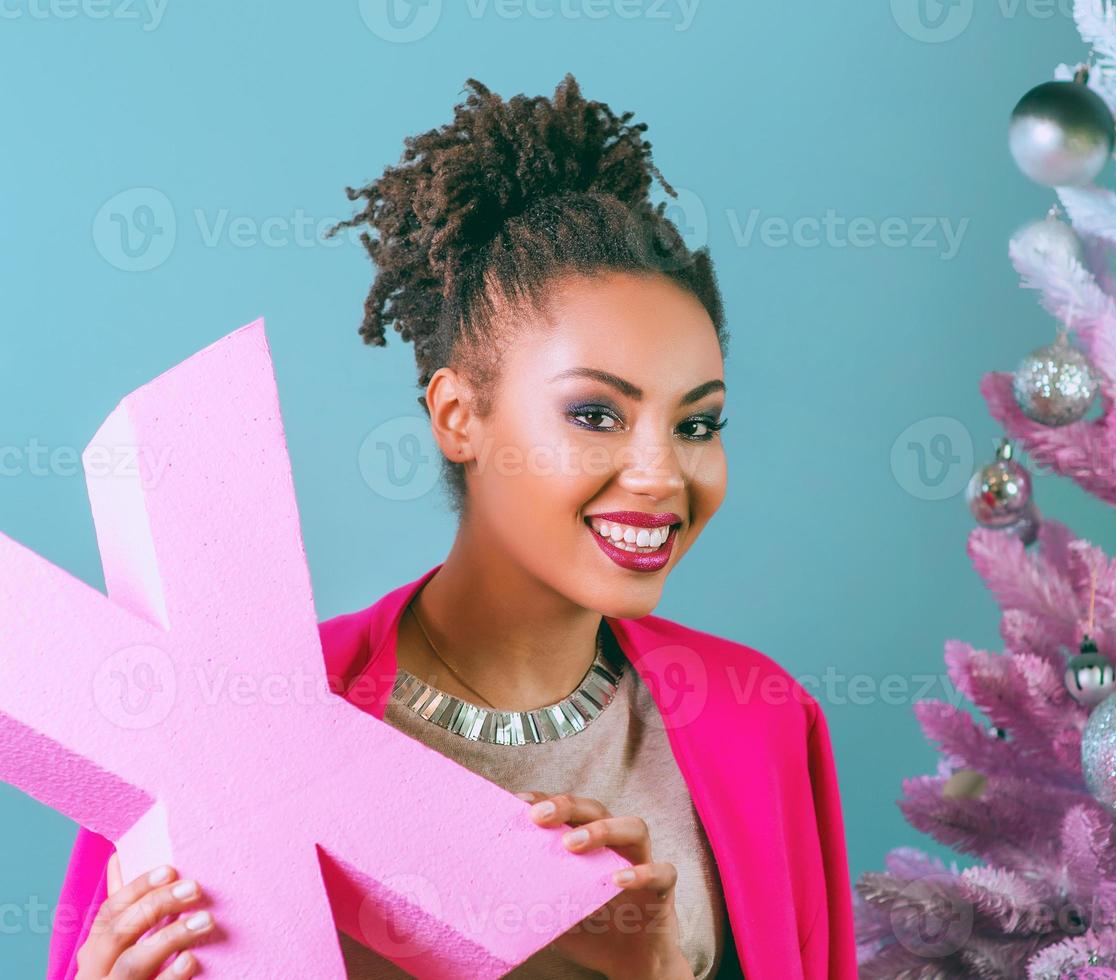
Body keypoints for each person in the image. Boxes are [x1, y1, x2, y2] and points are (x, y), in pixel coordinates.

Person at [48, 74, 857, 979]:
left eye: (696, 423)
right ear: (459, 415)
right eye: (595, 414)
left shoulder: (760, 723)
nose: (662, 472)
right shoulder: (227, 709)